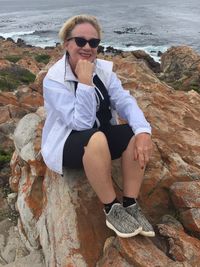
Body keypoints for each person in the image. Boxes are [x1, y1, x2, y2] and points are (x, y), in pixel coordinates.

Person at [41, 14, 155, 238]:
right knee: (96, 138)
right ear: (67, 43)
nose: (87, 47)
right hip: (70, 144)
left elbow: (124, 101)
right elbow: (81, 124)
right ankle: (111, 208)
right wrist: (85, 82)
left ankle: (130, 203)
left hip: (98, 139)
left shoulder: (103, 70)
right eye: (80, 41)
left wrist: (143, 131)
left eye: (93, 43)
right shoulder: (54, 80)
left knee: (133, 134)